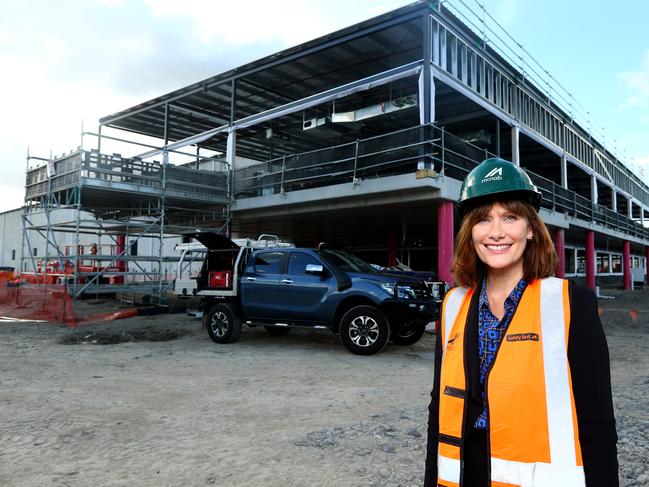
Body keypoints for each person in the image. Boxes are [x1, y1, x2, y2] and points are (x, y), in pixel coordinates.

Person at [424, 158, 618, 487]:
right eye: (483, 219)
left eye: (510, 217)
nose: (496, 232)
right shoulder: (453, 306)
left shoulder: (572, 304)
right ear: (470, 232)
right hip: (462, 475)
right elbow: (439, 408)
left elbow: (596, 424)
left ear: (530, 229)